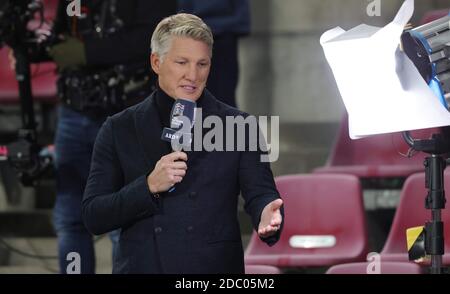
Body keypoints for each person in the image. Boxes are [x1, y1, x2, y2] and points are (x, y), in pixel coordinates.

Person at [82, 13, 283, 274]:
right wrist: (148, 186)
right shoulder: (119, 128)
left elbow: (260, 194)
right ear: (156, 62)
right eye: (181, 62)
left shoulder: (238, 125)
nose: (192, 75)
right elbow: (94, 215)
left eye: (202, 64)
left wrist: (268, 214)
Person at [36, 0, 176, 274]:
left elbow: (155, 39)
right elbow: (61, 36)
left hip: (127, 115)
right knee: (71, 219)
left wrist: (88, 52)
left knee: (125, 217)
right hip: (74, 113)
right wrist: (33, 53)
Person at [177, 0, 250, 108]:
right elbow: (182, 17)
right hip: (197, 38)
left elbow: (242, 20)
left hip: (224, 42)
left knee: (224, 91)